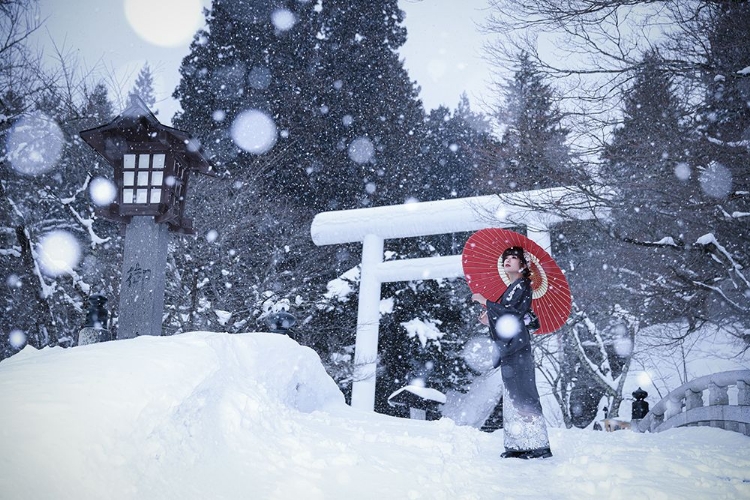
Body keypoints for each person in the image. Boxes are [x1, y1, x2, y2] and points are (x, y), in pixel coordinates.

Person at [471, 246, 552, 459]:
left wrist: (486, 302)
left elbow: (513, 313)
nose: (508, 260)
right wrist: (490, 318)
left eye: (514, 257)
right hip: (512, 348)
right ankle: (519, 444)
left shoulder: (522, 284)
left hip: (517, 347)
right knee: (513, 394)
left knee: (523, 392)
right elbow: (510, 317)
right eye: (505, 258)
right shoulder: (513, 287)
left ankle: (537, 445)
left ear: (523, 265)